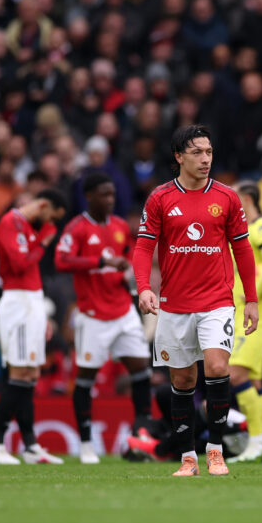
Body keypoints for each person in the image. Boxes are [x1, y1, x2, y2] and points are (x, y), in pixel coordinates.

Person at [132, 125, 260, 477]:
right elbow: (143, 247)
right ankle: (188, 458)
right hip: (173, 305)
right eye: (197, 153)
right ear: (179, 157)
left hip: (217, 301)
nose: (206, 159)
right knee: (184, 381)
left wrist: (251, 299)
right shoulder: (160, 198)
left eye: (209, 152)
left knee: (219, 368)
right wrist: (144, 287)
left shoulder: (228, 197)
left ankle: (215, 452)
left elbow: (243, 249)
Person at [55, 172, 153, 465]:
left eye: (112, 194)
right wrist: (100, 261)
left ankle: (141, 436)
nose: (110, 200)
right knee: (85, 378)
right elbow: (61, 261)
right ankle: (86, 444)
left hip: (123, 312)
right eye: (104, 195)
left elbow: (128, 258)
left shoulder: (121, 226)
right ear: (89, 196)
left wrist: (128, 278)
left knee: (141, 370)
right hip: (93, 316)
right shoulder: (77, 228)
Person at [0, 189, 68, 465]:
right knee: (20, 372)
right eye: (52, 215)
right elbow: (20, 264)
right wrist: (43, 243)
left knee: (31, 373)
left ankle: (30, 446)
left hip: (31, 302)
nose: (51, 223)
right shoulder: (11, 223)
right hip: (17, 304)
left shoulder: (25, 227)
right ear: (43, 205)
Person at [226, 180, 262, 463]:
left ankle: (257, 440)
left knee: (235, 373)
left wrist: (253, 294)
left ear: (247, 199)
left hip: (256, 314)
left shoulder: (259, 228)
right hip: (247, 312)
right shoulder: (242, 232)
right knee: (252, 379)